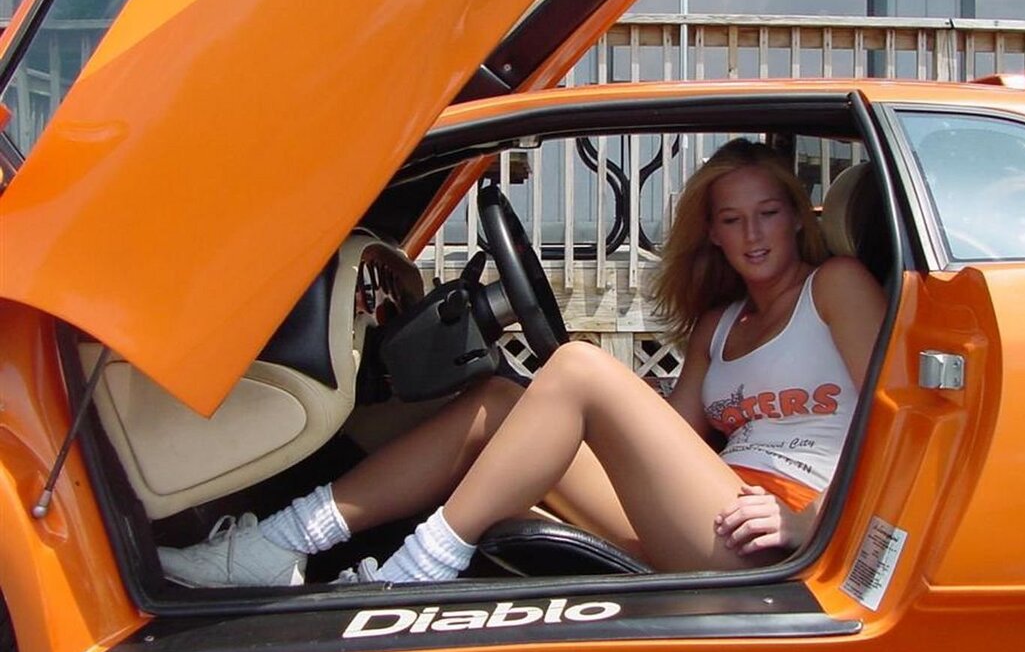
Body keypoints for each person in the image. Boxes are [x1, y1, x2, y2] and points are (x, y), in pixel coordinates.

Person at [158, 138, 887, 587]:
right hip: (709, 507)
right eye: (731, 219)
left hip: (771, 532)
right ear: (713, 235)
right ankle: (279, 543)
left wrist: (815, 523)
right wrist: (582, 419)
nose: (753, 233)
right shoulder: (718, 325)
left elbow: (904, 423)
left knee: (577, 368)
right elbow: (672, 441)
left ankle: (413, 574)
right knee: (500, 403)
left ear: (799, 216)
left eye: (767, 213)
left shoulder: (837, 287)